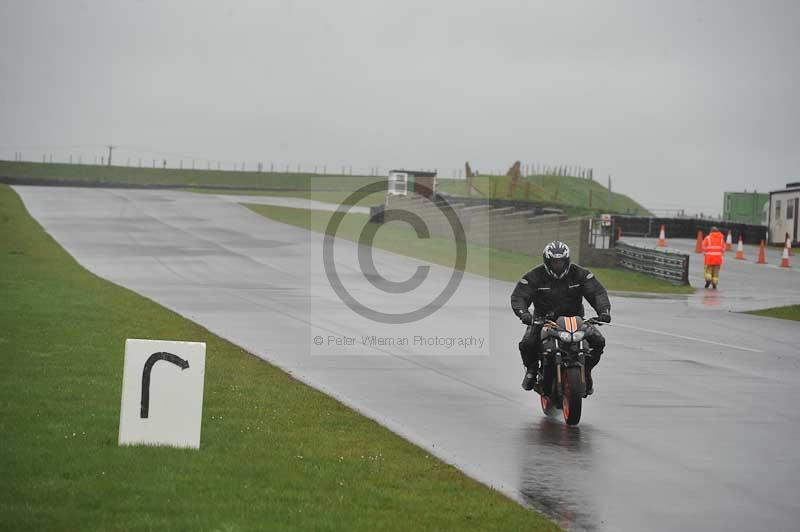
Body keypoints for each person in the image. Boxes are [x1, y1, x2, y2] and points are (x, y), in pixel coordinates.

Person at [510, 241, 611, 394]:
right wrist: (523, 314)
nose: (558, 265)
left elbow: (597, 292)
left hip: (576, 321)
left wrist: (604, 312)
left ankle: (587, 371)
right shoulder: (534, 276)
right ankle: (531, 369)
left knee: (598, 341)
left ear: (567, 260)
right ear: (546, 261)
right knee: (526, 343)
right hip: (543, 321)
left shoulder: (580, 274)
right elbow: (519, 296)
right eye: (554, 262)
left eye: (561, 261)